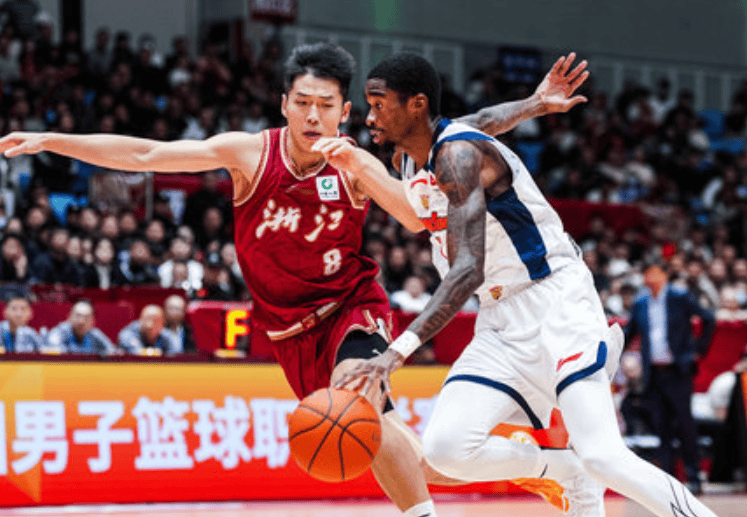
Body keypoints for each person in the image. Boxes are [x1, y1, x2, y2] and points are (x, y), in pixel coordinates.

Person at [0, 43, 593, 517]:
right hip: (288, 332)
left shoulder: (358, 162)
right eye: (303, 102)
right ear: (284, 104)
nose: (313, 116)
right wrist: (52, 141)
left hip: (352, 308)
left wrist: (530, 108)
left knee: (354, 398)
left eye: (326, 105)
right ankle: (531, 460)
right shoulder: (249, 154)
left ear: (344, 112)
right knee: (404, 454)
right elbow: (149, 156)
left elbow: (422, 202)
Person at [321, 52, 721, 517]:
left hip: (555, 302)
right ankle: (563, 471)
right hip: (500, 319)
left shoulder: (458, 155)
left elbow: (467, 269)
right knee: (446, 448)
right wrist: (535, 103)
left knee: (604, 457)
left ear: (417, 105)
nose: (369, 117)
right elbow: (484, 119)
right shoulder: (415, 155)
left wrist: (395, 353)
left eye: (379, 104)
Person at [624, 263, 716, 493]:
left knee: (685, 425)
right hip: (654, 372)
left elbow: (709, 318)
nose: (651, 277)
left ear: (664, 275)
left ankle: (694, 477)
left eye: (656, 272)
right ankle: (668, 482)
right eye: (648, 273)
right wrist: (612, 352)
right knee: (661, 427)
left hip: (678, 371)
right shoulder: (640, 302)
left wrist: (697, 350)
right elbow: (629, 333)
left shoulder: (680, 296)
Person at [45, 300, 118, 355]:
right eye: (78, 316)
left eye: (86, 317)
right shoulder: (60, 332)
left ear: (92, 320)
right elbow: (53, 351)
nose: (81, 321)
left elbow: (113, 352)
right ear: (69, 316)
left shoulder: (95, 334)